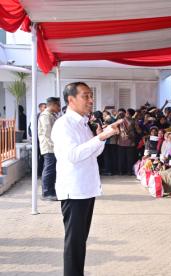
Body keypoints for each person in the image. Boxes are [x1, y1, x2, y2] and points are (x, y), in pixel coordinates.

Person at [51, 82, 121, 276]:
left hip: (86, 188)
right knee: (74, 244)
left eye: (91, 96)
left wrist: (102, 137)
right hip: (74, 190)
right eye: (85, 96)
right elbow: (73, 155)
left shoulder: (82, 123)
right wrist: (99, 138)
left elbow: (92, 153)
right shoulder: (63, 125)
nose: (91, 100)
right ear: (70, 99)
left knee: (80, 241)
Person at [38, 97, 61, 200]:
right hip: (49, 147)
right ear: (52, 105)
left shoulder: (52, 115)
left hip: (53, 147)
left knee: (52, 170)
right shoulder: (45, 116)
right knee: (49, 169)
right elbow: (49, 134)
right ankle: (47, 193)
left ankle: (51, 190)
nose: (59, 108)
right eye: (58, 105)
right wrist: (56, 146)